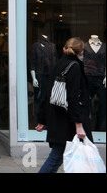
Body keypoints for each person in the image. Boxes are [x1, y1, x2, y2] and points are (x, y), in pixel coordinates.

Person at [35, 37, 93, 173]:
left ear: (64, 49)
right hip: (67, 123)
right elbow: (73, 97)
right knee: (56, 158)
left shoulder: (58, 65)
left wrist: (42, 119)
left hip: (57, 119)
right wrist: (79, 125)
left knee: (58, 157)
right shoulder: (75, 67)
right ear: (80, 53)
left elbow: (47, 93)